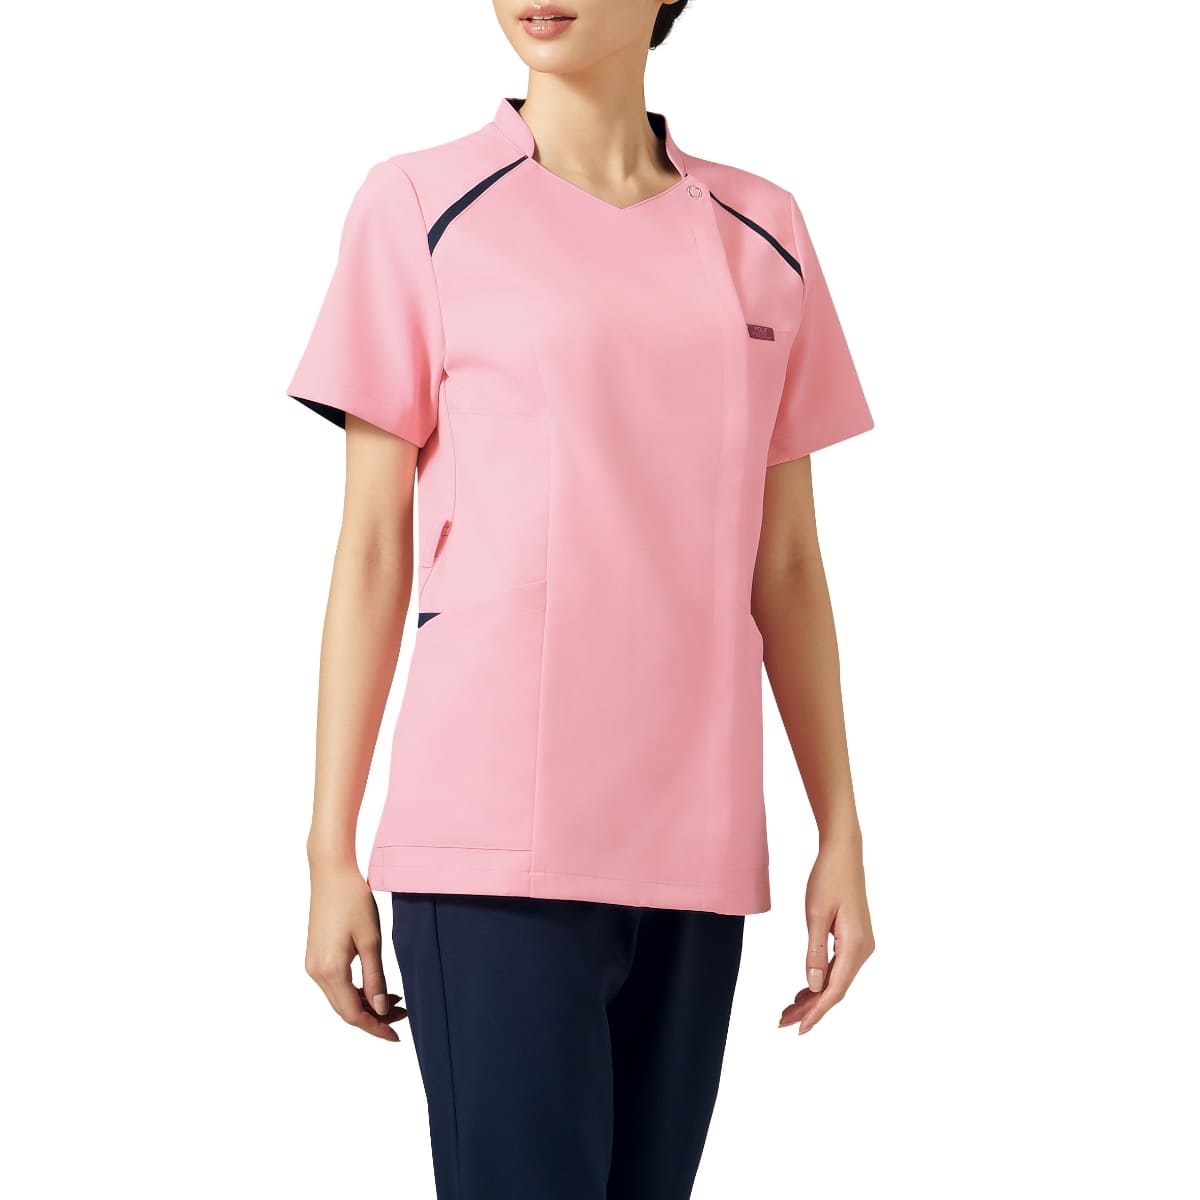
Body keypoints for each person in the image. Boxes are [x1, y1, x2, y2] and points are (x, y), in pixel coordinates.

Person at [286, 2, 877, 1196]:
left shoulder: (765, 229)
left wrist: (841, 833)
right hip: (493, 837)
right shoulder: (419, 204)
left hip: (698, 836)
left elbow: (787, 563)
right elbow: (372, 549)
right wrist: (328, 849)